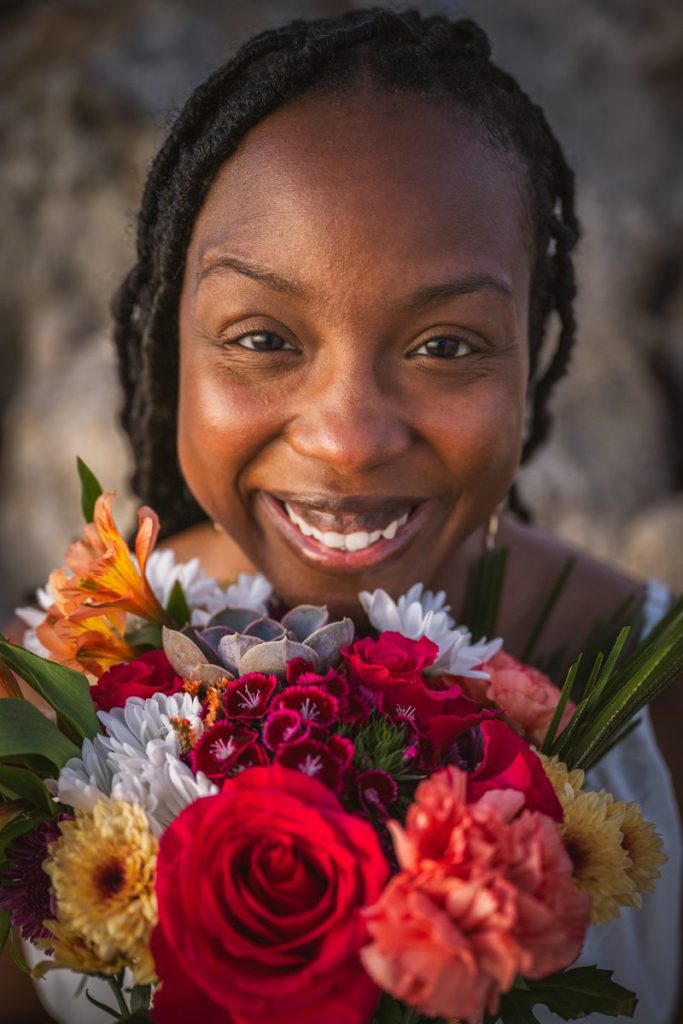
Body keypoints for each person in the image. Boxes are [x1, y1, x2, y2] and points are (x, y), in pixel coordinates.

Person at [2, 7, 680, 1023]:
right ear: (171, 342)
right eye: (262, 337)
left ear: (530, 354)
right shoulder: (41, 700)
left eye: (445, 345)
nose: (349, 438)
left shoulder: (660, 692)